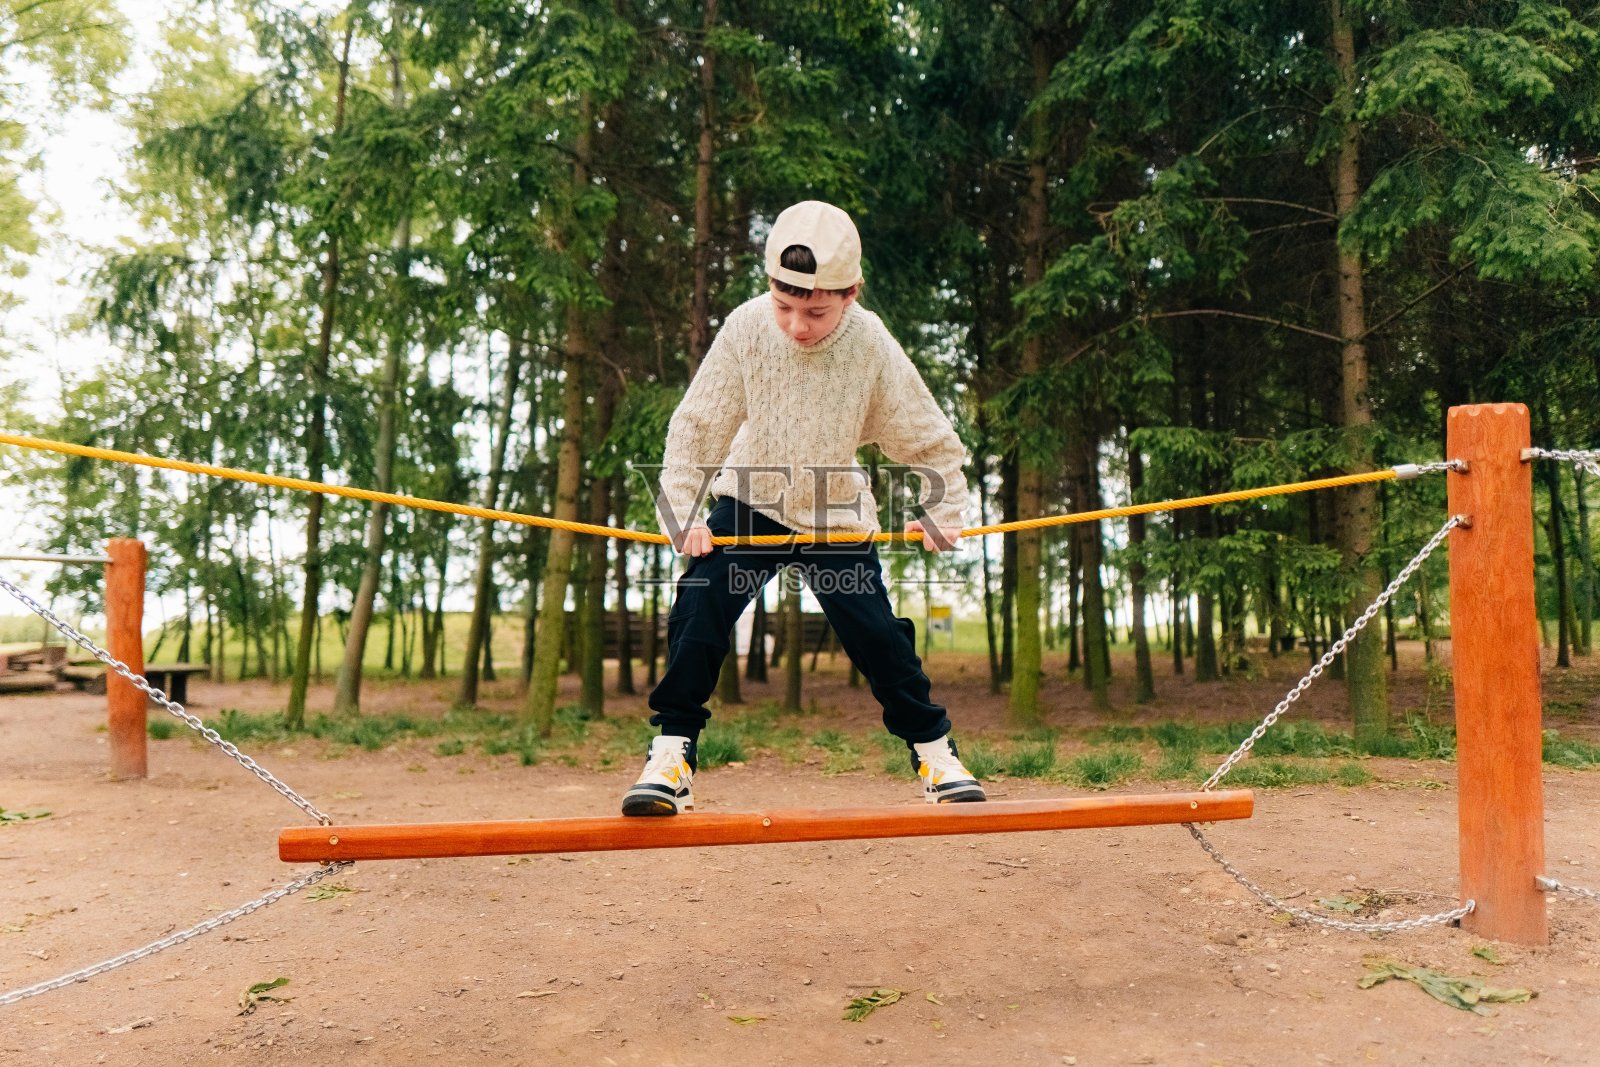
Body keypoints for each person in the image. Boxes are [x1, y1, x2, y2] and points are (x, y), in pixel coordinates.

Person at [623, 200, 985, 816]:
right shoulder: (745, 327)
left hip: (834, 508)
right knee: (701, 606)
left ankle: (935, 752)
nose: (796, 325)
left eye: (815, 311)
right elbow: (697, 426)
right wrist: (681, 513)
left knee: (875, 632)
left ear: (851, 294)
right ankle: (671, 754)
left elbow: (927, 435)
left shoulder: (869, 342)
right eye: (784, 306)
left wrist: (944, 505)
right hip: (749, 496)